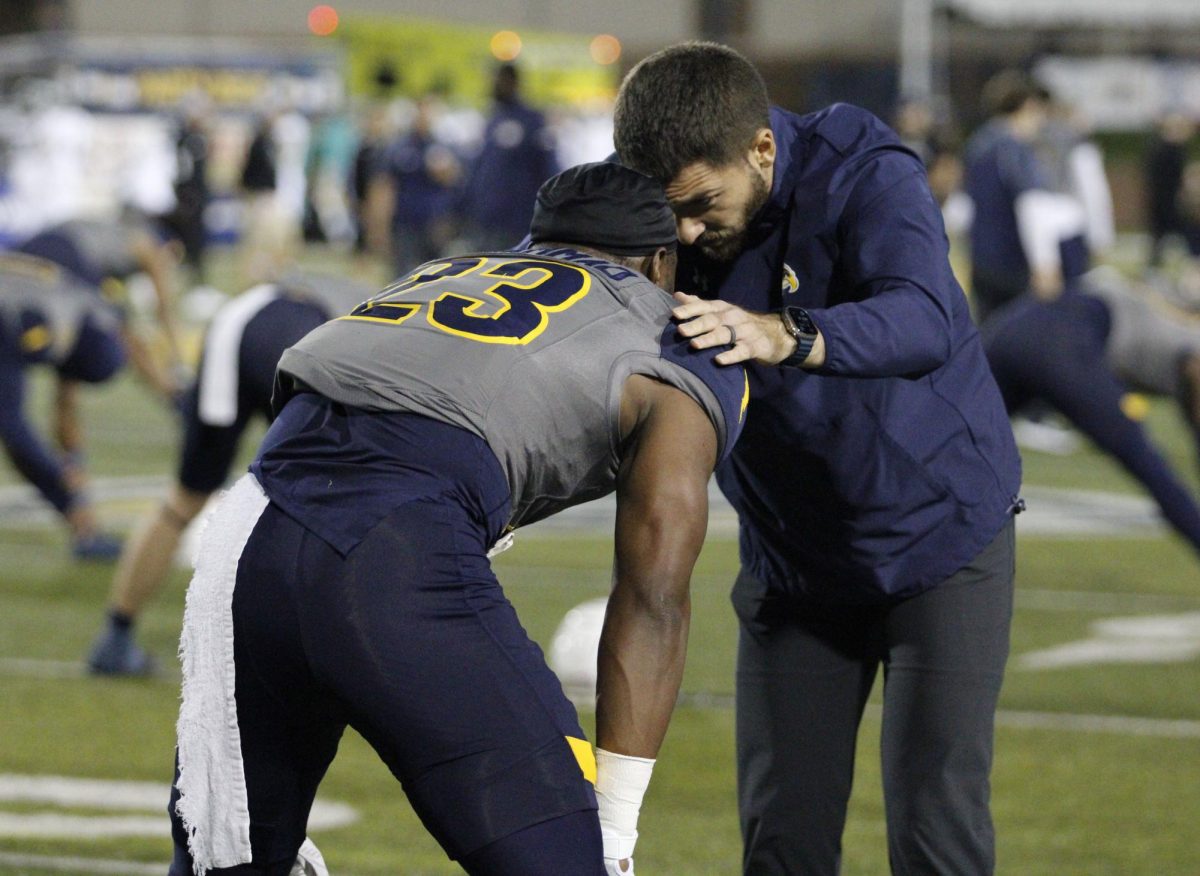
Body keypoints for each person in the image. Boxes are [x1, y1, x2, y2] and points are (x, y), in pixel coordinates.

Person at [167, 162, 748, 875]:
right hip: (391, 552)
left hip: (245, 535)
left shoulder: (442, 271)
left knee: (230, 864)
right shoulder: (676, 335)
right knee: (564, 862)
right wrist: (617, 834)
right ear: (662, 261)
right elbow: (653, 595)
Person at [613, 42, 1022, 874]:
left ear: (762, 149)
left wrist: (780, 333)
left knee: (936, 836)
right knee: (781, 846)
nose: (685, 234)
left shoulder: (861, 167)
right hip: (794, 561)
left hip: (939, 539)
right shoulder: (651, 198)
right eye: (668, 214)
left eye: (699, 205)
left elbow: (921, 316)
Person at [86, 271, 376, 676]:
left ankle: (116, 636)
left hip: (243, 324)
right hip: (299, 349)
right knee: (340, 504)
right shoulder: (381, 322)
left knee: (188, 497)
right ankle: (326, 649)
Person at [983, 269, 1200, 562]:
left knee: (953, 441)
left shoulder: (1142, 305)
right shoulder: (1181, 336)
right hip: (1066, 350)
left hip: (1011, 329)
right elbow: (1193, 368)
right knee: (1148, 465)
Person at [0, 251, 127, 558]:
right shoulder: (44, 320)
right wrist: (67, 492)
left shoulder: (72, 302)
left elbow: (64, 404)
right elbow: (13, 429)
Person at [962, 70, 1088, 325]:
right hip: (1012, 263)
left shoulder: (977, 144)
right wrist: (1045, 265)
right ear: (1029, 106)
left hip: (980, 259)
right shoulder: (1015, 148)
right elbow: (1031, 206)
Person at [460, 62, 560, 252]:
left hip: (517, 220)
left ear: (511, 82)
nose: (493, 85)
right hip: (485, 218)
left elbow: (548, 168)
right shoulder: (493, 118)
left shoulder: (531, 120)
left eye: (498, 80)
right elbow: (481, 168)